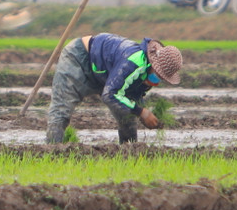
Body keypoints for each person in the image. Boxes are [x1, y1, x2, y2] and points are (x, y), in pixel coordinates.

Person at [45, 34, 182, 144]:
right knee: (61, 109)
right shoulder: (133, 63)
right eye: (158, 75)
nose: (157, 80)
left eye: (161, 78)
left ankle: (129, 154)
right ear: (152, 63)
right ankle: (53, 151)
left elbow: (131, 97)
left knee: (127, 115)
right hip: (80, 58)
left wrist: (143, 111)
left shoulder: (146, 73)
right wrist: (141, 112)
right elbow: (110, 94)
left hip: (105, 74)